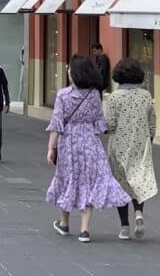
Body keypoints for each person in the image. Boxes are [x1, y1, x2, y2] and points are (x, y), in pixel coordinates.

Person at [46, 55, 130, 244]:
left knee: (67, 179)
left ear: (74, 73)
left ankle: (64, 223)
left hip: (68, 143)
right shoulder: (93, 95)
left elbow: (56, 123)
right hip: (90, 143)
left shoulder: (63, 95)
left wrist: (51, 148)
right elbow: (100, 122)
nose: (68, 71)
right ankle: (84, 230)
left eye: (69, 69)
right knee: (88, 182)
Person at [104, 58, 157, 241]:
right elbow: (152, 123)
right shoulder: (146, 96)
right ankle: (139, 213)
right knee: (138, 181)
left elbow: (109, 125)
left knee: (121, 184)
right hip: (140, 145)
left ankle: (124, 227)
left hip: (119, 146)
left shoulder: (114, 97)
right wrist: (149, 139)